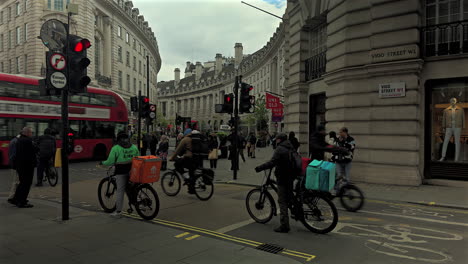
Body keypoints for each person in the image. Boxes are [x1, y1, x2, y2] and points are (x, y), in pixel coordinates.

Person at [255, 133, 294, 233]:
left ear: (279, 140)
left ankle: (284, 226)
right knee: (289, 197)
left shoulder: (280, 149)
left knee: (282, 201)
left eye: (277, 139)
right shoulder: (290, 146)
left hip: (282, 176)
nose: (276, 141)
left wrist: (260, 167)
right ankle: (296, 212)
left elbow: (272, 162)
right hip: (290, 175)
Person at [100, 132, 139, 218]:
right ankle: (138, 201)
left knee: (120, 191)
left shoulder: (116, 148)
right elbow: (138, 157)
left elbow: (110, 161)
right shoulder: (133, 147)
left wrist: (102, 162)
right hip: (133, 170)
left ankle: (118, 212)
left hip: (121, 171)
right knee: (133, 188)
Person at [12, 127, 38, 208]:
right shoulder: (28, 141)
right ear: (27, 133)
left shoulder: (19, 140)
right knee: (26, 184)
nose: (32, 134)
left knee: (22, 182)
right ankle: (22, 202)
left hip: (20, 165)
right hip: (27, 166)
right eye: (31, 132)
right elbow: (35, 150)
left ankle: (16, 199)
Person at [169, 128, 196, 194]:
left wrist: (172, 158)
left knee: (177, 164)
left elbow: (178, 150)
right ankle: (191, 188)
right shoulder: (194, 139)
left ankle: (186, 178)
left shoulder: (185, 139)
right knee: (191, 172)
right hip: (196, 158)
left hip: (188, 157)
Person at [7, 133, 21, 205]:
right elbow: (14, 155)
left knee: (16, 181)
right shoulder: (16, 142)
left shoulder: (13, 141)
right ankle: (12, 197)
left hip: (13, 164)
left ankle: (14, 197)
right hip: (16, 165)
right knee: (16, 182)